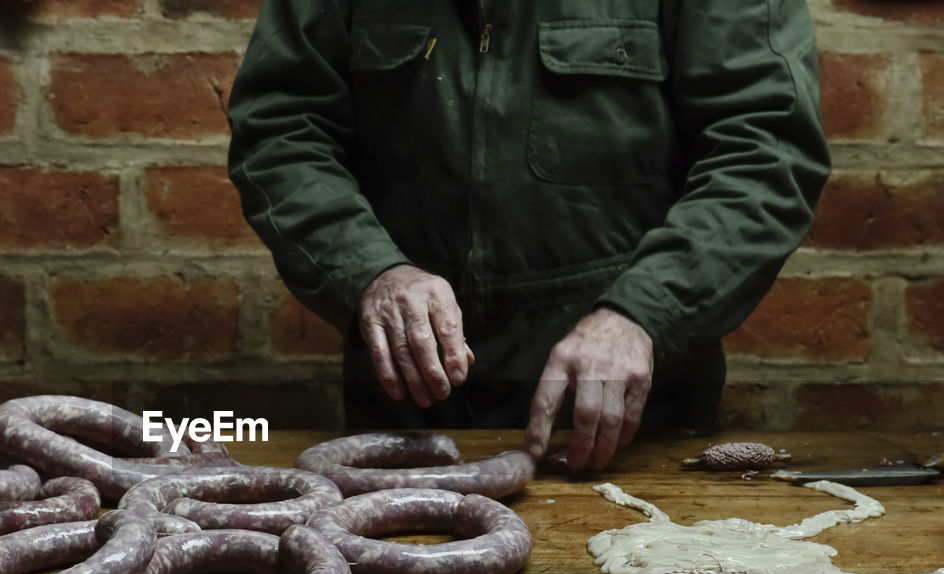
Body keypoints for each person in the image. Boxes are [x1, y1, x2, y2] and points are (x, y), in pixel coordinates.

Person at [226, 0, 829, 472]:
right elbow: (282, 127)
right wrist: (370, 272)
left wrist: (644, 313)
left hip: (629, 425)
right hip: (403, 411)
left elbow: (766, 153)